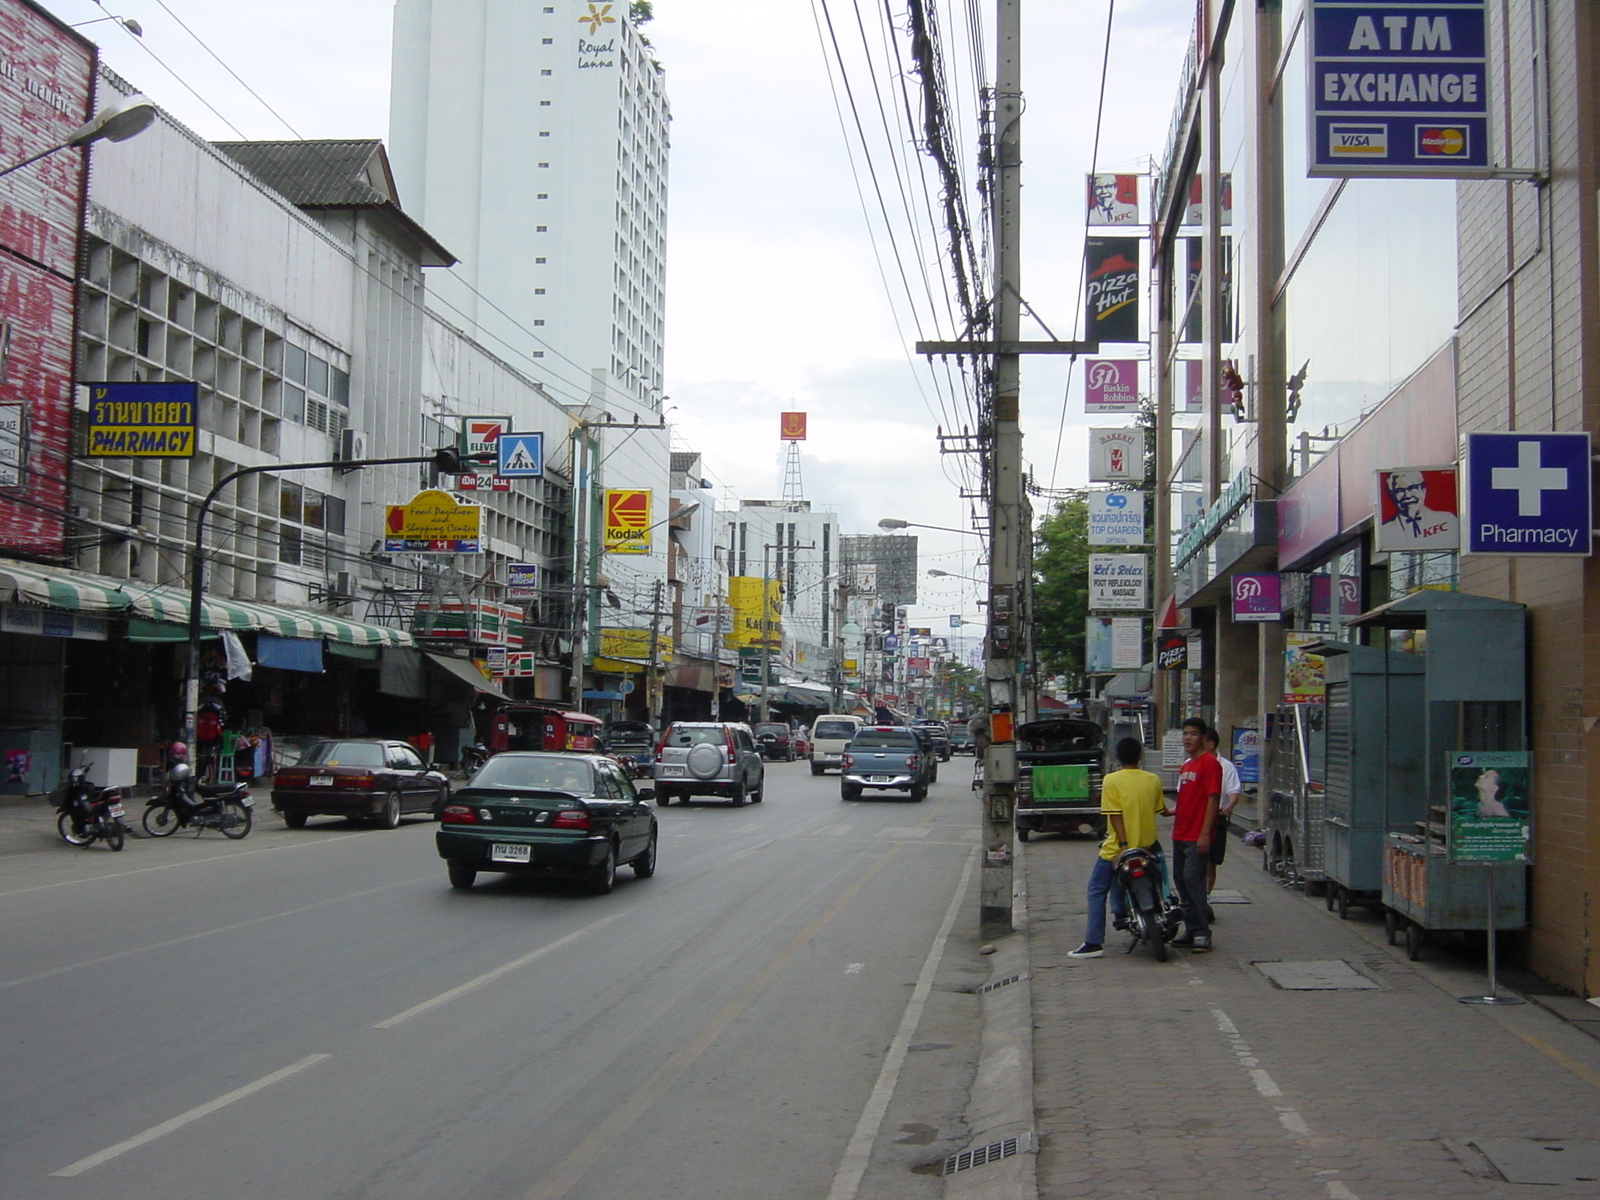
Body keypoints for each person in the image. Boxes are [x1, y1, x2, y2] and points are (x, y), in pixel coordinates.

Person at [1070, 737, 1166, 958]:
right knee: (1160, 883)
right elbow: (1159, 809)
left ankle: (1093, 942)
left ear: (1117, 757)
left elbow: (1114, 816)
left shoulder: (1111, 780)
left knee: (1096, 889)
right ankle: (1120, 912)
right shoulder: (1153, 780)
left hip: (1118, 847)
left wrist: (1123, 847)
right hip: (1148, 846)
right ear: (1140, 757)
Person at [1170, 717, 1220, 952]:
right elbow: (1186, 799)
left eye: (1193, 734)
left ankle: (1202, 933)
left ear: (1203, 738)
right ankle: (1190, 929)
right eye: (1185, 733)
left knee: (1193, 882)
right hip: (1179, 834)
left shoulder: (1209, 764)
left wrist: (1205, 834)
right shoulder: (1186, 766)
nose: (1187, 738)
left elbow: (1212, 799)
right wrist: (1169, 811)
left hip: (1196, 837)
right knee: (1181, 882)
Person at [1204, 727, 1243, 896]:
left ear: (1210, 744)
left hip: (1216, 818)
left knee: (1211, 862)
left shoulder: (1226, 766)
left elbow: (1234, 791)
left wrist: (1230, 805)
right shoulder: (1189, 765)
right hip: (1195, 818)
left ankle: (1205, 897)